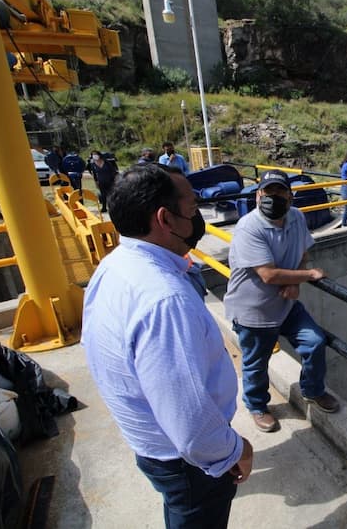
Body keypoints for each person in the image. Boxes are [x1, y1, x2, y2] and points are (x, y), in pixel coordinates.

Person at [82, 164, 253, 528]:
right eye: (192, 210)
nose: (197, 218)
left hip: (153, 445)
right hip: (184, 461)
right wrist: (234, 450)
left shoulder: (113, 266)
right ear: (166, 219)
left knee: (180, 512)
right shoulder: (164, 299)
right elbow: (191, 426)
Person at [224, 169, 340, 433]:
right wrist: (308, 276)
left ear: (290, 196)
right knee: (257, 363)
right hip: (254, 310)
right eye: (268, 192)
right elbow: (267, 274)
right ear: (258, 196)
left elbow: (303, 253)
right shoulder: (249, 227)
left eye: (280, 192)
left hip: (285, 304)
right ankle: (257, 406)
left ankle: (312, 390)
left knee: (314, 342)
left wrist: (295, 281)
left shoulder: (296, 218)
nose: (273, 197)